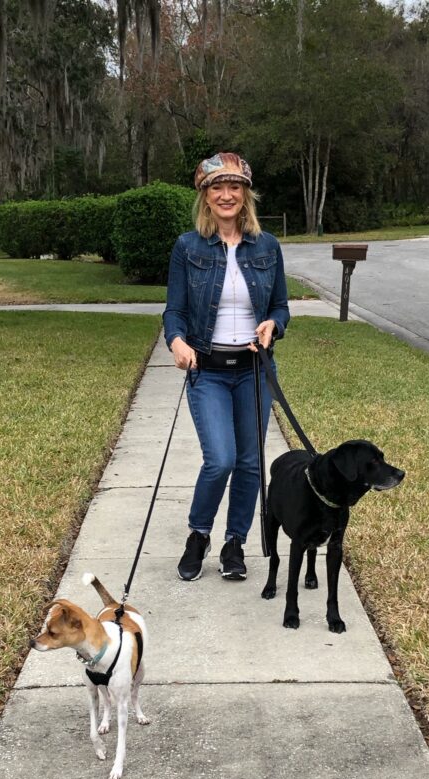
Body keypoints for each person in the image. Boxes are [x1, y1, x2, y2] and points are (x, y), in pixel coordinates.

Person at [163, 152, 290, 582]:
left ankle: (235, 544)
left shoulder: (267, 246)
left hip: (254, 370)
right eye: (217, 187)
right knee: (220, 459)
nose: (226, 194)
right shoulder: (188, 246)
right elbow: (174, 311)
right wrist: (177, 341)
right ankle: (198, 535)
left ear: (246, 194)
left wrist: (275, 323)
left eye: (234, 186)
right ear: (205, 196)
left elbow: (280, 305)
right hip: (209, 370)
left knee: (251, 463)